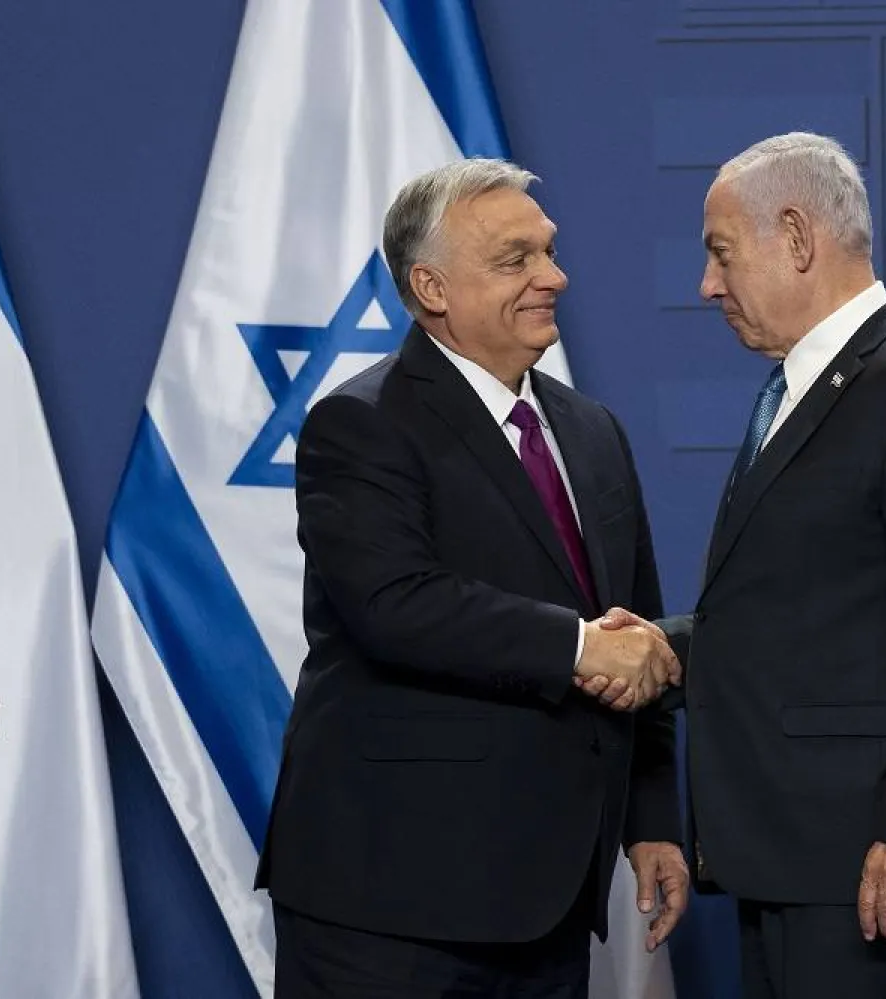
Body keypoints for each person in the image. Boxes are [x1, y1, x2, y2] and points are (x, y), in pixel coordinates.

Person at [256, 158, 689, 999]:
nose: (553, 276)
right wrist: (575, 648)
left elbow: (635, 633)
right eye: (515, 259)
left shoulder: (591, 431)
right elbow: (393, 604)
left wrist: (651, 819)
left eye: (549, 252)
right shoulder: (361, 423)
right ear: (432, 286)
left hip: (551, 898)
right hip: (391, 903)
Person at [600, 132, 886, 997]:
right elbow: (799, 616)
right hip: (795, 859)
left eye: (720, 253)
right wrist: (659, 646)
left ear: (795, 237)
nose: (707, 285)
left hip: (872, 872)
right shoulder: (802, 389)